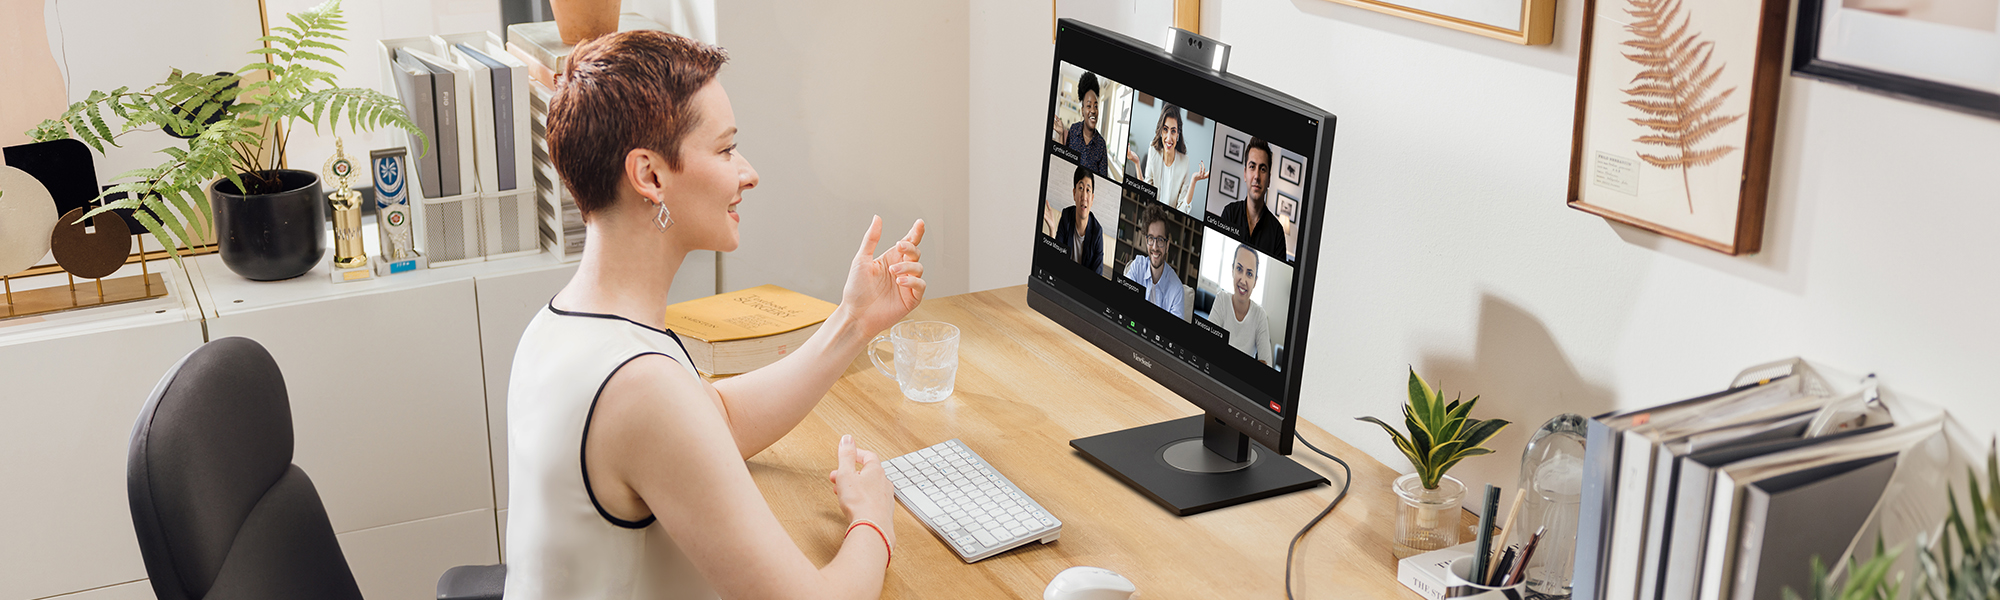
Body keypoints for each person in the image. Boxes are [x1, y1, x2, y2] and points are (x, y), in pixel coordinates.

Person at [509, 31, 926, 600]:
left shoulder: (562, 328)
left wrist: (854, 322)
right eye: (726, 150)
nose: (747, 174)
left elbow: (716, 421)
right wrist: (874, 520)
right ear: (650, 176)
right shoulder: (640, 386)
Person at [1126, 103, 1207, 214]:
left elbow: (1183, 209)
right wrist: (1137, 163)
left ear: (1178, 134)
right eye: (1165, 129)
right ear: (1160, 131)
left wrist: (1193, 181)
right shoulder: (1153, 151)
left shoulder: (1184, 162)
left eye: (1173, 131)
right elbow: (1145, 193)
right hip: (1151, 214)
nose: (1169, 138)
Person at [1216, 138, 1286, 257]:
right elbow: (1219, 255)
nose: (1257, 176)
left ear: (1269, 179)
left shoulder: (1277, 232)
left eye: (1262, 169)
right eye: (1252, 167)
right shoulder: (1229, 213)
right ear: (1245, 174)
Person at [1206, 244, 1273, 364]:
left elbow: (1266, 364)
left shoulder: (1260, 316)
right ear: (1232, 270)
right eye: (1239, 269)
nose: (1243, 280)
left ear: (1255, 282)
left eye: (1249, 274)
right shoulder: (1221, 299)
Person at [1122, 207, 1185, 317]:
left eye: (1160, 239)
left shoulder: (1177, 290)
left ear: (1167, 245)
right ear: (1146, 241)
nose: (1155, 247)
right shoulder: (1137, 266)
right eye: (1151, 238)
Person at [1051, 72, 1110, 177]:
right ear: (1082, 111)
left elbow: (1103, 180)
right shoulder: (1073, 130)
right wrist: (1060, 135)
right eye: (1088, 106)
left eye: (1096, 106)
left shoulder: (1101, 145)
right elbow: (1062, 160)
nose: (1093, 110)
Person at [1052, 164, 1105, 276]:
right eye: (1080, 188)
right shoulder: (1066, 216)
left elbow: (1097, 277)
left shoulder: (1097, 232)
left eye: (1088, 190)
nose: (1084, 197)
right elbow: (1055, 260)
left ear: (1092, 199)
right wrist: (1052, 229)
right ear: (1074, 193)